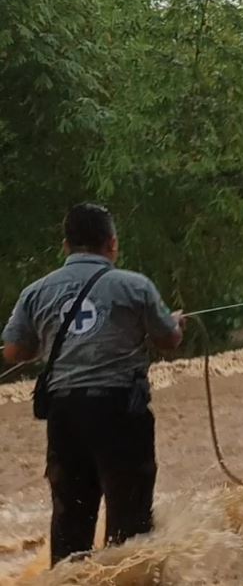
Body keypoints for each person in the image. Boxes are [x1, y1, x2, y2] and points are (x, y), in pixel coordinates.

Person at [2, 203, 185, 567]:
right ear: (112, 244)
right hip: (120, 413)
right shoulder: (135, 286)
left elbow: (13, 351)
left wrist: (48, 341)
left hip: (65, 416)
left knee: (70, 523)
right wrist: (176, 324)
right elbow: (167, 340)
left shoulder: (36, 291)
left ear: (65, 245)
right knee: (130, 527)